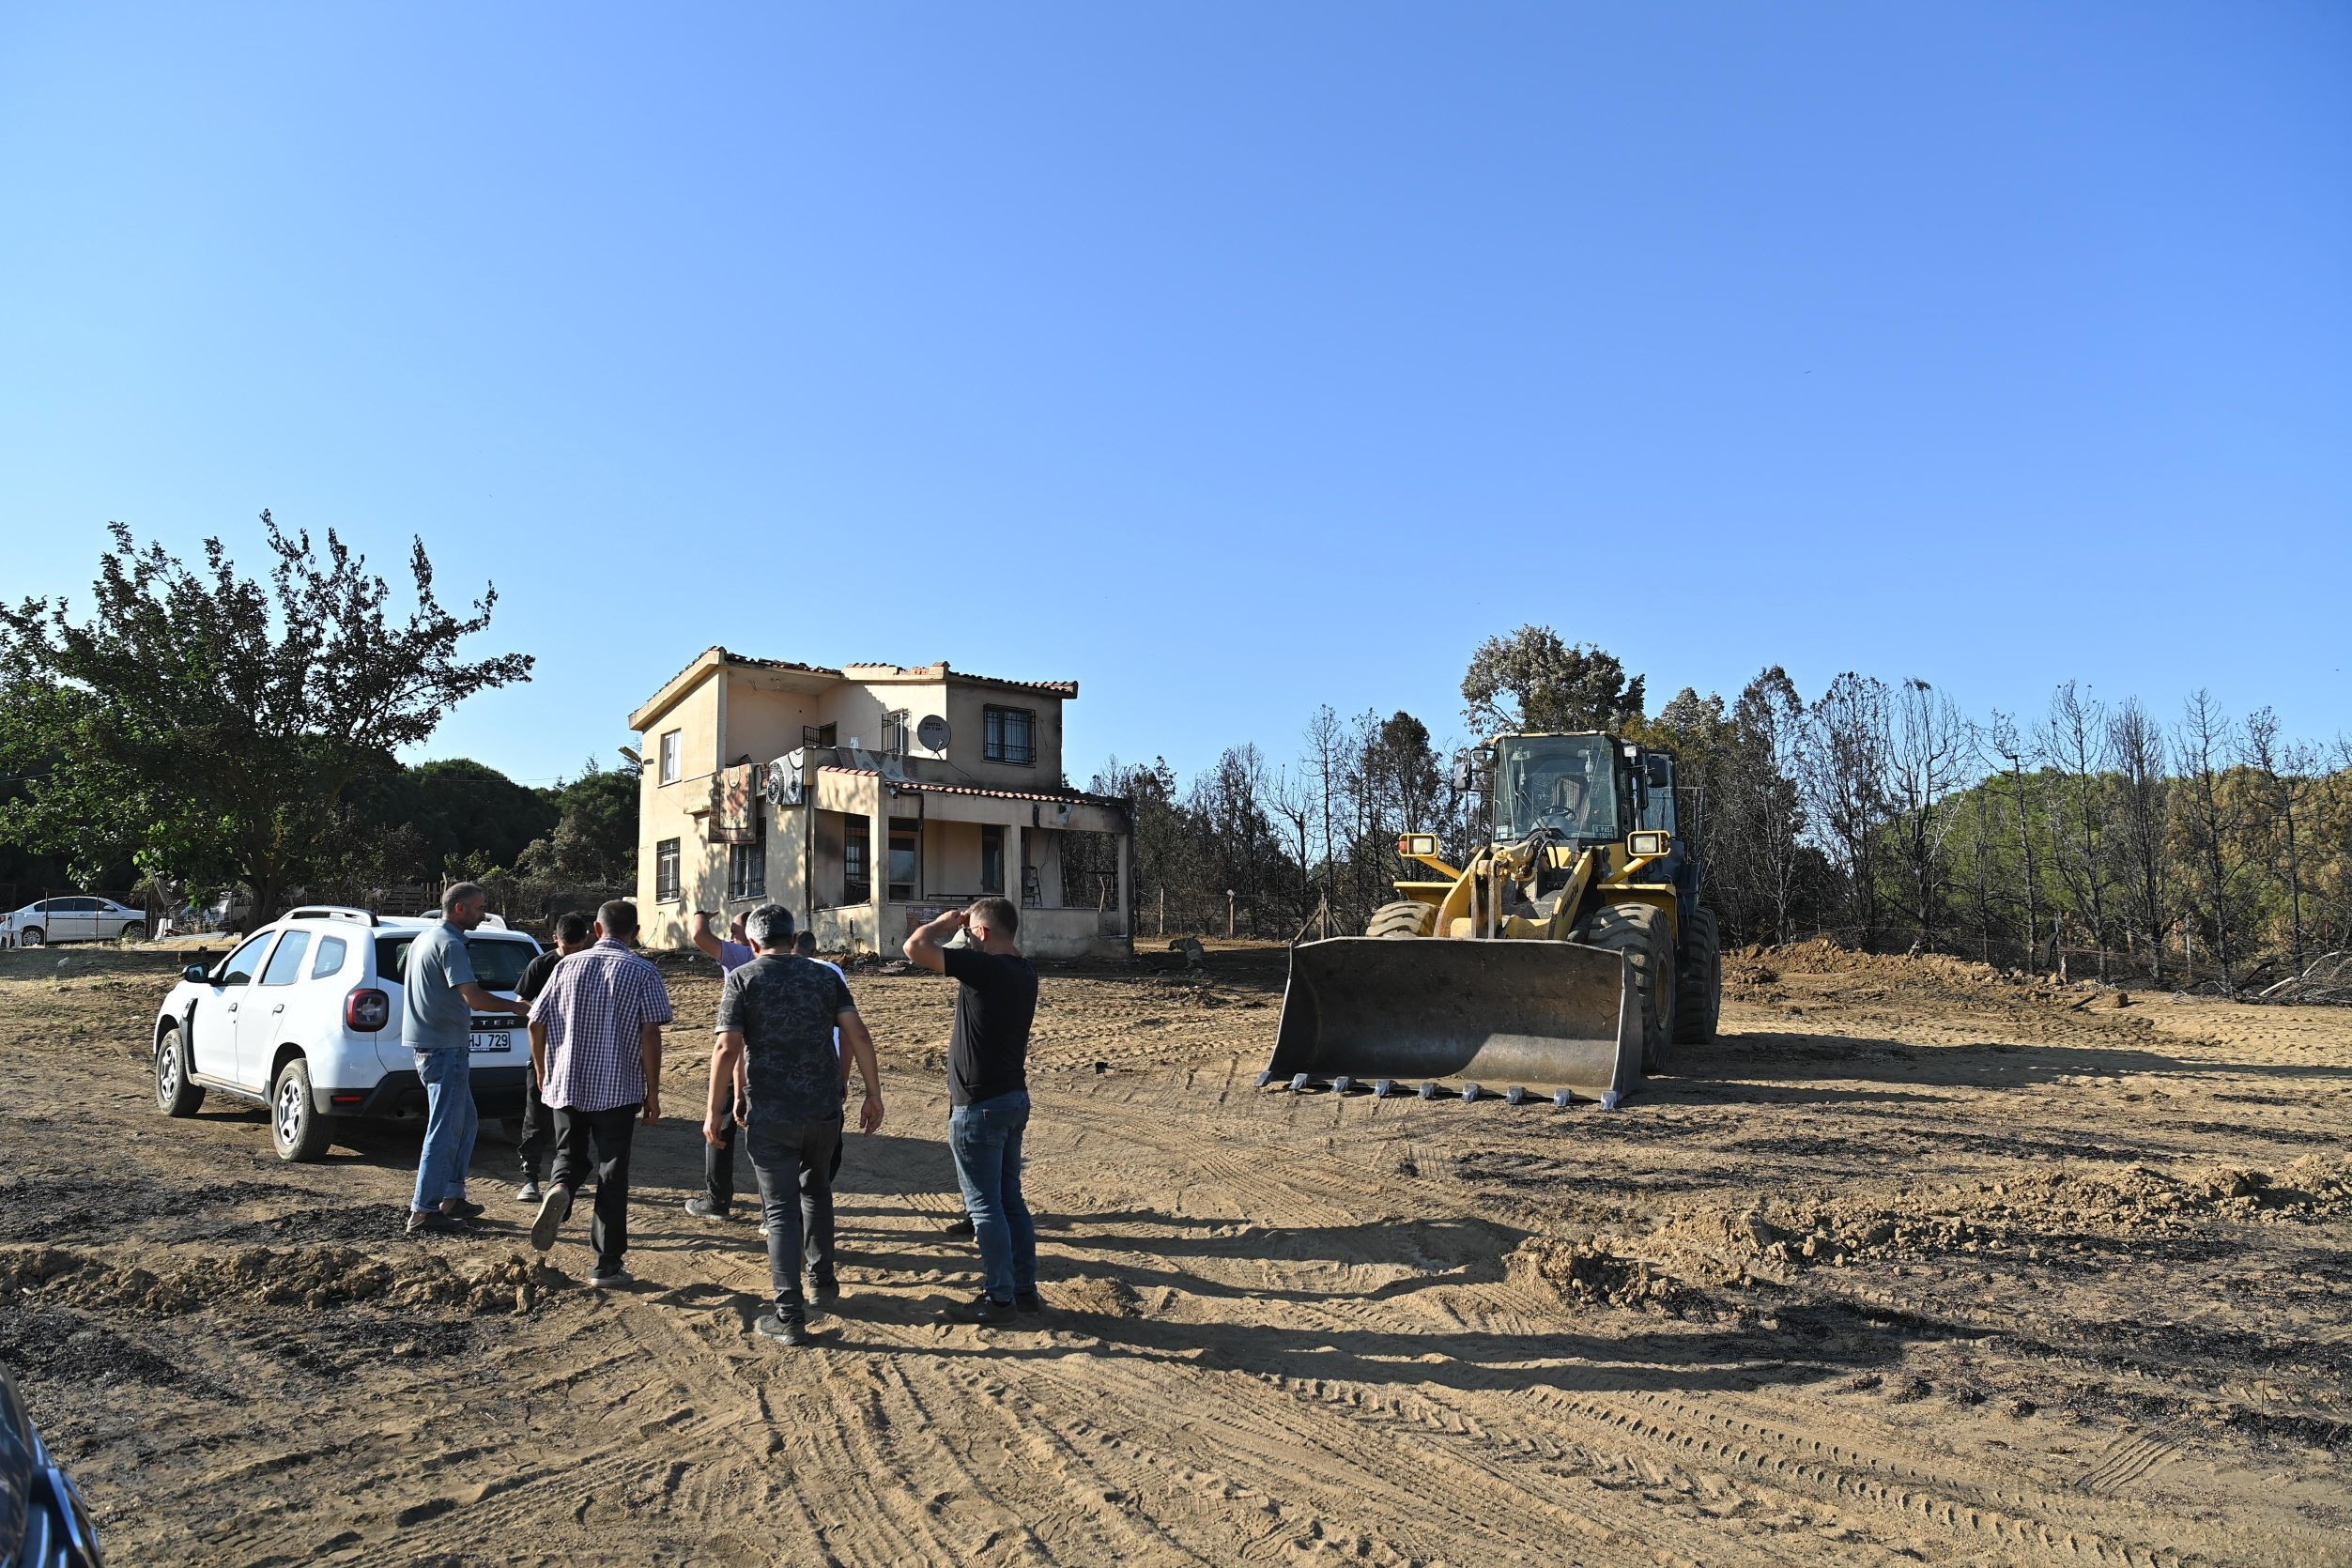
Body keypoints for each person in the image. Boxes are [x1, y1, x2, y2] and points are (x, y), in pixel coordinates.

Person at [706, 904, 884, 1345]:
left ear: (752, 943)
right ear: (793, 937)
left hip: (772, 1112)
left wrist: (716, 1110)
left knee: (782, 1209)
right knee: (818, 1191)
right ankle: (823, 1283)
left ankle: (789, 1314)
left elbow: (727, 1049)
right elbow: (858, 1035)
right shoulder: (825, 977)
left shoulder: (744, 978)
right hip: (823, 1109)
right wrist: (873, 1094)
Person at [904, 897, 1041, 1325]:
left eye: (972, 932)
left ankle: (999, 1298)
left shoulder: (985, 968)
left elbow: (914, 947)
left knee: (984, 1208)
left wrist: (943, 925)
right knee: (1009, 1199)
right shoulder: (1025, 971)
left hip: (979, 1107)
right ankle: (1024, 1289)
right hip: (1012, 1098)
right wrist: (968, 930)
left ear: (981, 933)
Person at [527, 899, 673, 1287]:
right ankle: (605, 1264)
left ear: (596, 928)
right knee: (612, 1169)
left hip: (568, 1082)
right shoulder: (643, 971)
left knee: (567, 1154)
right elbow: (650, 1033)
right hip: (618, 1088)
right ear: (636, 932)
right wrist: (653, 1092)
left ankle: (560, 1188)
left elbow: (535, 1022)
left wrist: (543, 1071)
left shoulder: (565, 966)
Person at [405, 883, 532, 1237]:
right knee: (444, 1129)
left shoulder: (425, 939)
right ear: (459, 908)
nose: (484, 913)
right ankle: (424, 1209)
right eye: (479, 907)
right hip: (443, 1050)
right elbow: (474, 997)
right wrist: (516, 1007)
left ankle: (451, 1197)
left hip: (438, 1047)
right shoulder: (449, 944)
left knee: (466, 1122)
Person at [512, 911, 594, 1203]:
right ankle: (530, 1179)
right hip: (543, 1052)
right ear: (555, 939)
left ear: (585, 940)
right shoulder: (541, 965)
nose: (571, 954)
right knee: (536, 1118)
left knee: (574, 1119)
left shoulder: (590, 965)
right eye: (565, 949)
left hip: (579, 1054)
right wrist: (544, 1010)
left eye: (576, 949)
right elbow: (520, 1003)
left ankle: (571, 1177)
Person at [684, 910, 757, 1222]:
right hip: (771, 1060)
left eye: (734, 931)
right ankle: (774, 1208)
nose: (729, 937)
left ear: (750, 936)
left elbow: (699, 935)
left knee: (721, 1127)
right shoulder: (790, 963)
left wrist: (701, 914)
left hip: (737, 1053)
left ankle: (717, 1200)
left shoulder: (740, 955)